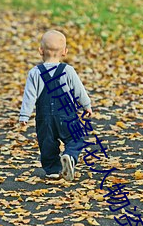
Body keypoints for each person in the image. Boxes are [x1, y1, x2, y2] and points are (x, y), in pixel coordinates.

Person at [19, 30, 92, 180]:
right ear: (64, 52)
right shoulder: (68, 71)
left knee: (47, 143)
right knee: (76, 138)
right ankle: (69, 156)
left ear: (41, 50)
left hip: (44, 118)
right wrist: (86, 105)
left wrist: (24, 115)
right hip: (66, 114)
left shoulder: (35, 73)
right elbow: (79, 90)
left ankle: (52, 170)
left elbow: (29, 96)